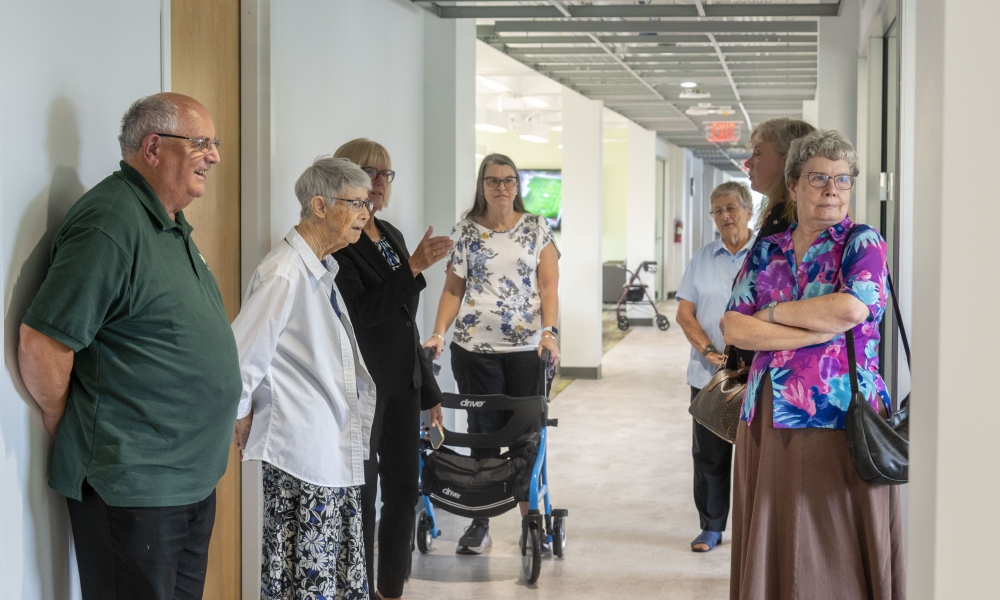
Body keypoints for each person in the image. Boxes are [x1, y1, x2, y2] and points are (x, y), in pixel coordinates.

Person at [17, 93, 242, 600]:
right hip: (134, 489)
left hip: (187, 480)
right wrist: (67, 425)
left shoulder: (166, 220)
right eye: (202, 143)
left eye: (215, 142)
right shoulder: (110, 222)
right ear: (154, 147)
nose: (215, 156)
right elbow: (42, 344)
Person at [723, 130, 905, 600]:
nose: (832, 190)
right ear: (794, 183)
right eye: (820, 178)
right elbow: (733, 327)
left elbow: (851, 309)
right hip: (767, 413)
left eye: (843, 181)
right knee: (774, 530)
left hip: (843, 413)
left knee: (836, 539)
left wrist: (772, 315)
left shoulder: (862, 241)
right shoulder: (767, 248)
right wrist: (811, 327)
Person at [232, 157, 378, 600]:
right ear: (319, 205)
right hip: (300, 456)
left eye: (366, 203)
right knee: (303, 582)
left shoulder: (320, 269)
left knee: (335, 580)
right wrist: (240, 415)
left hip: (329, 452)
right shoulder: (284, 272)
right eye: (355, 204)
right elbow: (242, 355)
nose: (365, 215)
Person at [331, 138, 450, 600]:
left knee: (404, 491)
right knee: (363, 495)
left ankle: (390, 590)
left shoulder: (392, 236)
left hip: (403, 383)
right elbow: (363, 312)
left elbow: (405, 320)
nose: (379, 182)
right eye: (369, 172)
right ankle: (359, 587)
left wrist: (431, 391)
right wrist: (415, 266)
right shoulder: (341, 241)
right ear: (345, 178)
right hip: (362, 386)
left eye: (386, 174)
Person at [424, 153, 560, 555]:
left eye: (508, 179)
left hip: (525, 349)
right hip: (473, 349)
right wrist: (437, 333)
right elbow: (453, 290)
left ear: (518, 186)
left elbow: (549, 286)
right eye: (492, 180)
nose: (501, 186)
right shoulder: (466, 230)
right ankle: (479, 521)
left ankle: (528, 520)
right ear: (482, 186)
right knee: (482, 432)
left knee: (524, 434)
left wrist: (549, 332)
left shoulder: (536, 228)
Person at [675, 182, 755, 553]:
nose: (725, 216)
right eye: (717, 211)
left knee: (758, 455)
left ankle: (757, 531)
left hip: (758, 373)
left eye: (731, 208)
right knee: (709, 453)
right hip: (710, 375)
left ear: (748, 210)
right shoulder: (702, 258)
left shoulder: (766, 253)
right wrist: (709, 351)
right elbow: (684, 312)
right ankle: (710, 526)